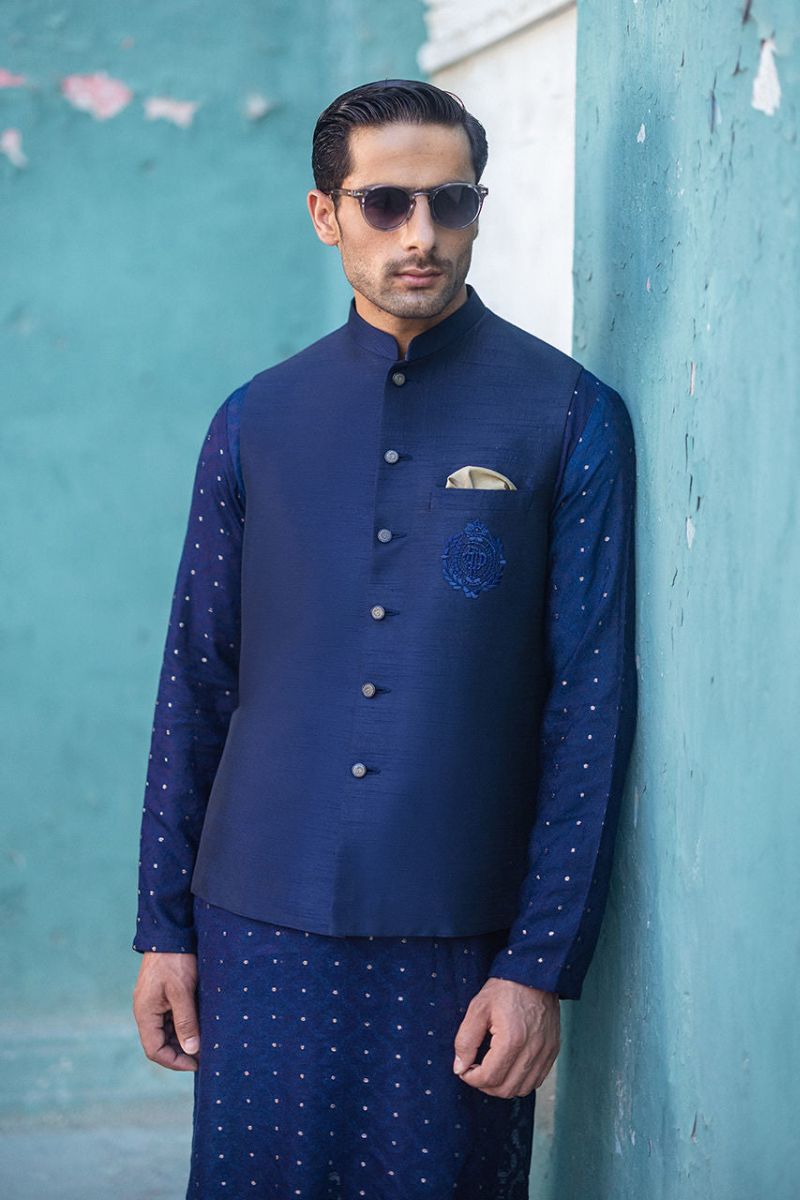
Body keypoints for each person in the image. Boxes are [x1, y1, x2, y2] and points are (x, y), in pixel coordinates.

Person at [131, 78, 637, 1199]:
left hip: (456, 938)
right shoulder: (254, 420)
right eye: (386, 203)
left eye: (450, 202)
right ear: (326, 214)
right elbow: (196, 682)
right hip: (255, 924)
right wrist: (163, 928)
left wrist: (537, 964)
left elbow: (589, 705)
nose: (421, 234)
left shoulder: (565, 415)